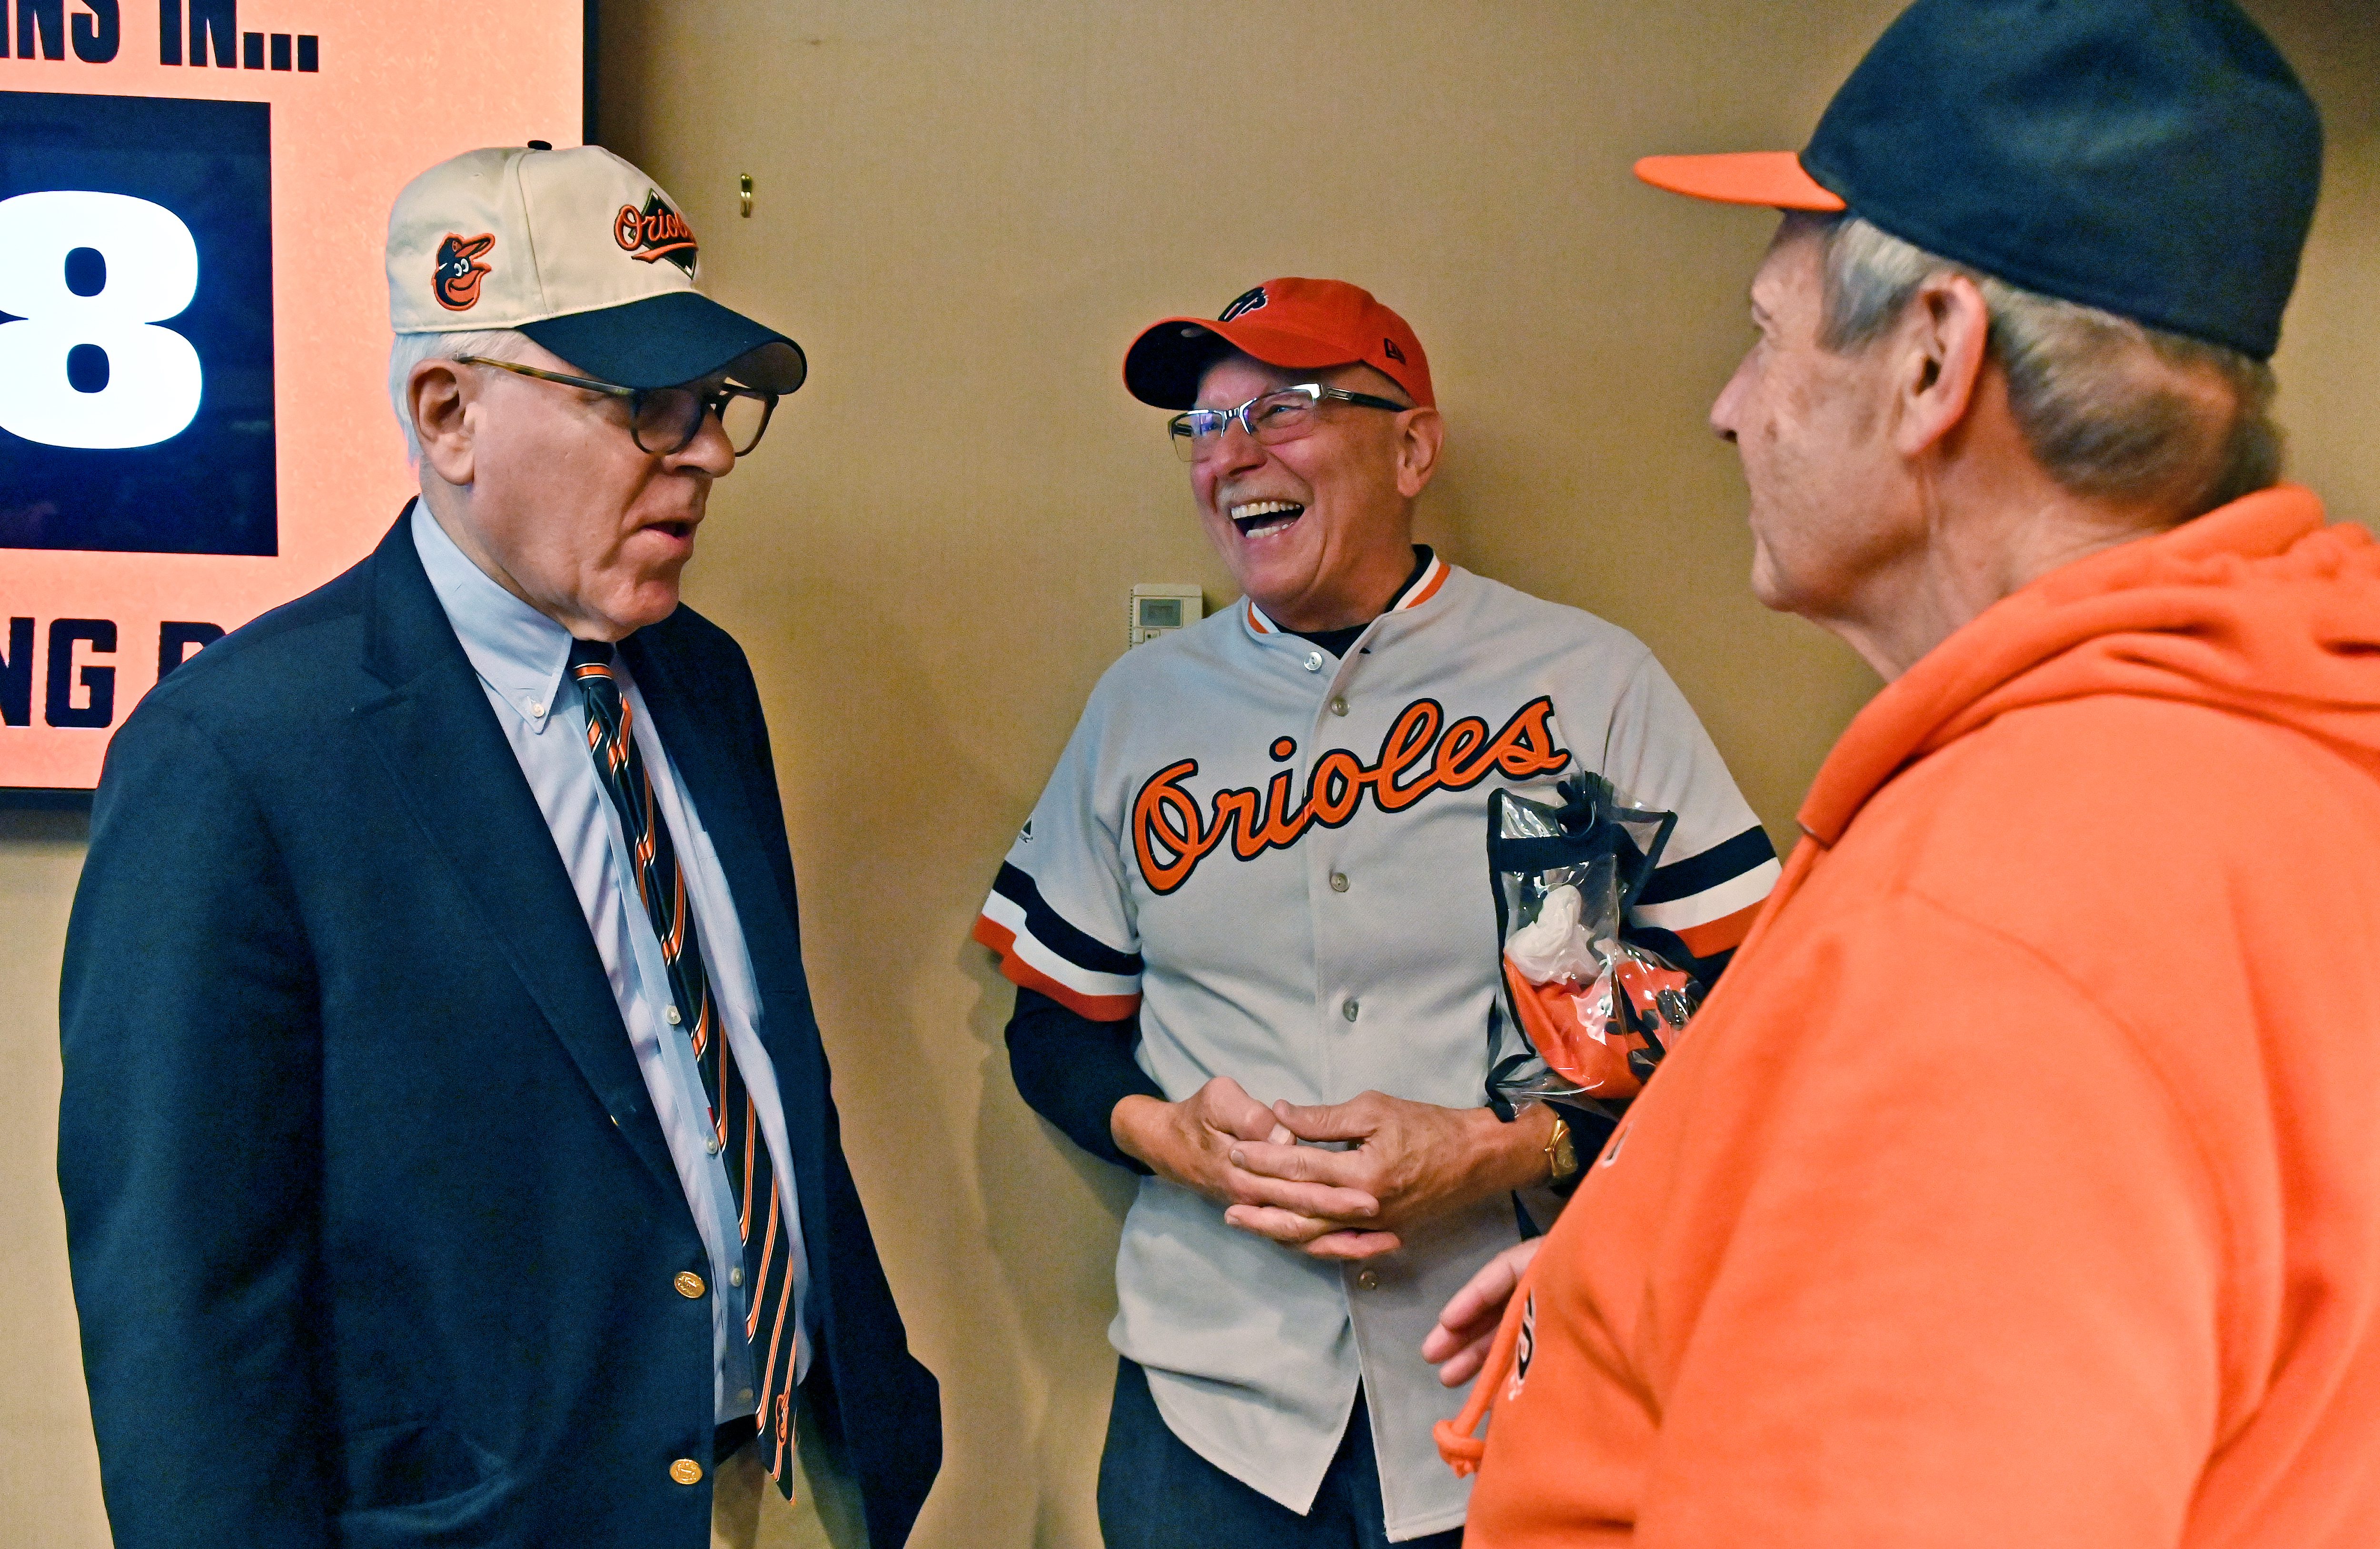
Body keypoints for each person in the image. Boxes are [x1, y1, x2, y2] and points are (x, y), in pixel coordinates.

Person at [1426, 2, 2380, 1544]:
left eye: (1764, 334)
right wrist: (1748, 1286)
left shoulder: (2001, 935)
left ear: (1933, 359)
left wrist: (1871, 1259)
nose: (1728, 409)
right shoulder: (2282, 745)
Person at [58, 144, 940, 1549]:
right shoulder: (237, 757)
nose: (707, 449)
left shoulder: (703, 680)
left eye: (710, 404)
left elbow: (754, 1060)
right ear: (449, 411)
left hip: (780, 1472)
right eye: (647, 405)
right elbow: (184, 1304)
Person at [974, 277, 1780, 1546]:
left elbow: (1745, 997)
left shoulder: (1585, 678)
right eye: (1204, 426)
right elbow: (1052, 1028)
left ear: (1411, 447)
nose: (1232, 453)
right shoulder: (1142, 709)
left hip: (1511, 1373)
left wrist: (1512, 1147)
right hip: (1210, 1407)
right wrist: (1164, 1136)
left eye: (1284, 409)